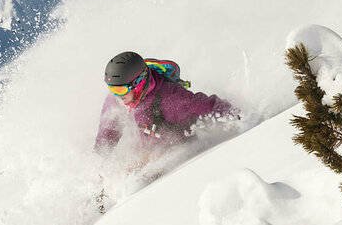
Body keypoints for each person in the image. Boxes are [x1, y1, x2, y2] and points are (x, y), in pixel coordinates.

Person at [94, 51, 238, 159]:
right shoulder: (117, 101)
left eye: (120, 90)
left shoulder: (171, 99)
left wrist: (241, 119)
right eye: (112, 90)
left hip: (178, 151)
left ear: (138, 83)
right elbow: (106, 137)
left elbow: (209, 106)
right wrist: (98, 166)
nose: (117, 96)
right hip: (147, 151)